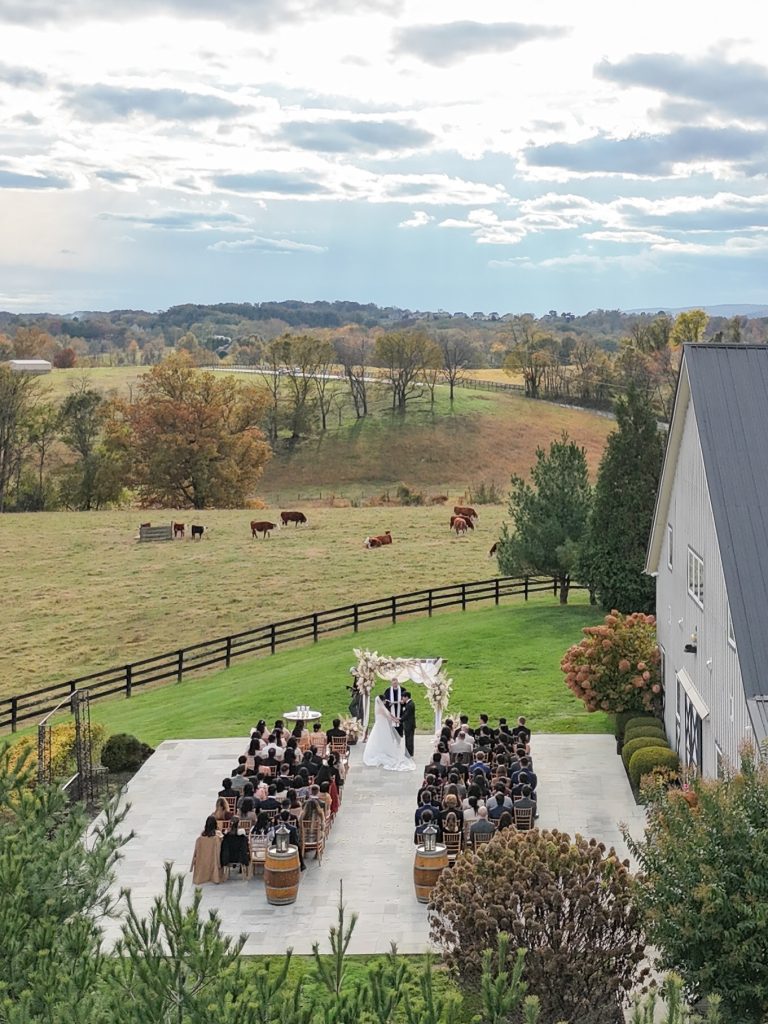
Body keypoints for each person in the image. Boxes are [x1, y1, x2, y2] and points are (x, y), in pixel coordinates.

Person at [363, 694, 415, 771]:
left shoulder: (382, 707)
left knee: (384, 739)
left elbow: (389, 714)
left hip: (383, 725)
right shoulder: (380, 709)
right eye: (384, 700)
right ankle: (382, 751)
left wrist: (397, 719)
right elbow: (388, 716)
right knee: (381, 738)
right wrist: (396, 720)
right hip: (381, 726)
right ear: (381, 701)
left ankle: (384, 750)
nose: (385, 702)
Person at [190, 816, 223, 884]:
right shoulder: (217, 837)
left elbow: (195, 852)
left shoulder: (200, 838)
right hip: (213, 860)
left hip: (202, 860)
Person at [400, 690, 416, 758]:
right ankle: (408, 752)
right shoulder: (409, 703)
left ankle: (409, 753)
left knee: (409, 739)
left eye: (403, 697)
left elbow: (406, 714)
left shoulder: (410, 704)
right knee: (408, 739)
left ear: (406, 697)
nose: (402, 699)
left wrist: (400, 719)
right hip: (408, 724)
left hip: (409, 724)